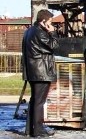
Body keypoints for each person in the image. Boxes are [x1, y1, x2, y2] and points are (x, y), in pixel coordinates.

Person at [22, 9, 58, 137]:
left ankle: (29, 129)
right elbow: (53, 45)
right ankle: (38, 130)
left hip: (33, 71)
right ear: (43, 21)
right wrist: (52, 33)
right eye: (50, 21)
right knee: (39, 102)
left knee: (34, 100)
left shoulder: (28, 31)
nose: (51, 24)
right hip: (41, 72)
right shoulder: (40, 33)